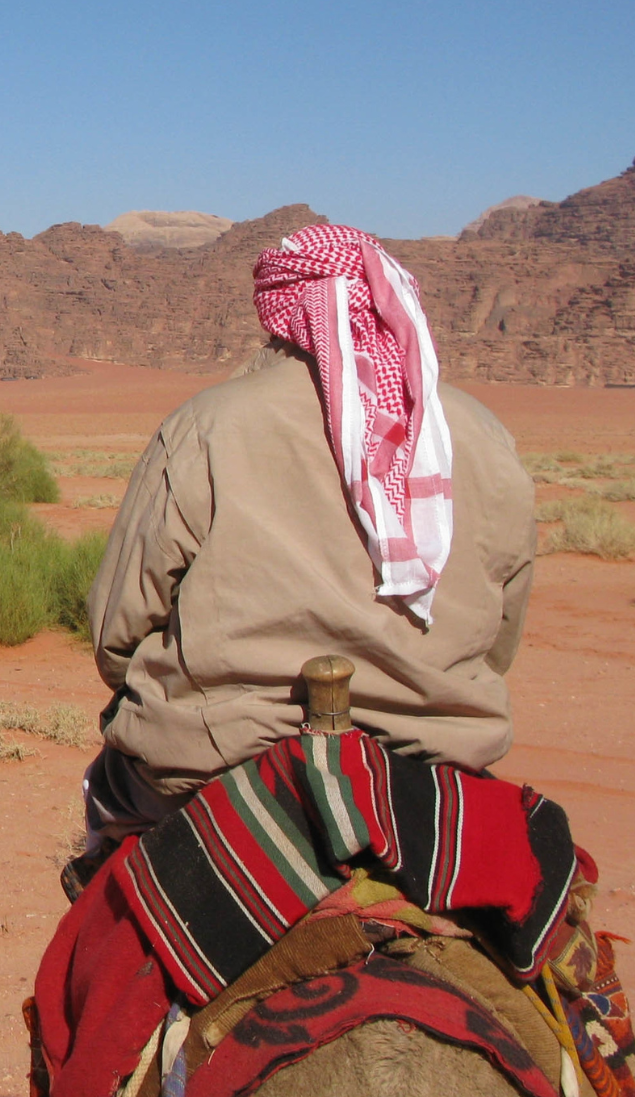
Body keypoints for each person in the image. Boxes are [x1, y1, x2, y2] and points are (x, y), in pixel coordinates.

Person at [73, 223, 537, 878]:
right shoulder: (480, 436)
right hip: (432, 772)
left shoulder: (206, 426)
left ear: (277, 309)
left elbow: (118, 629)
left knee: (106, 804)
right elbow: (501, 633)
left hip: (221, 766)